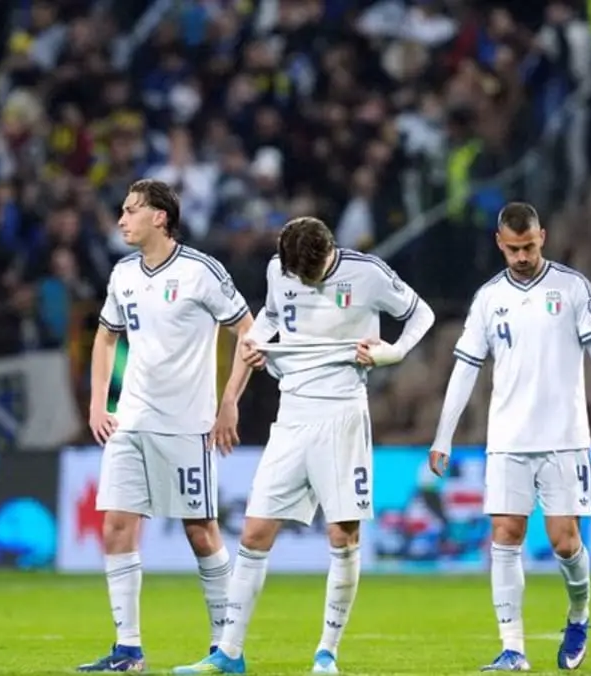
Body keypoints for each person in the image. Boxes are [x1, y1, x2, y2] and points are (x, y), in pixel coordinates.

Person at [173, 217, 435, 675]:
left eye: (310, 272)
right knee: (254, 533)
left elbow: (422, 314)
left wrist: (393, 351)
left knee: (343, 535)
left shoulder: (367, 273)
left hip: (342, 417)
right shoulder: (280, 269)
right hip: (291, 415)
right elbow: (271, 319)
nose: (303, 279)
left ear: (328, 252)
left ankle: (327, 653)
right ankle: (229, 654)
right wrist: (253, 352)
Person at [428, 202, 591, 672]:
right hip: (507, 439)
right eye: (513, 249)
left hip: (564, 438)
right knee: (505, 534)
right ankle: (513, 648)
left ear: (543, 236)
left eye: (529, 247)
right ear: (499, 244)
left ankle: (579, 615)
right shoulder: (488, 298)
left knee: (564, 542)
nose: (521, 257)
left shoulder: (573, 287)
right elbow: (465, 368)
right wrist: (443, 436)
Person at [78, 179, 253, 672]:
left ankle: (226, 649)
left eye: (130, 210)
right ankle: (128, 650)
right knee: (116, 526)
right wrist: (98, 405)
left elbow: (248, 330)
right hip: (130, 420)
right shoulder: (123, 274)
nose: (121, 220)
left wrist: (229, 402)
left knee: (201, 531)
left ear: (160, 217)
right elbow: (105, 337)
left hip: (185, 425)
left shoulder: (201, 271)